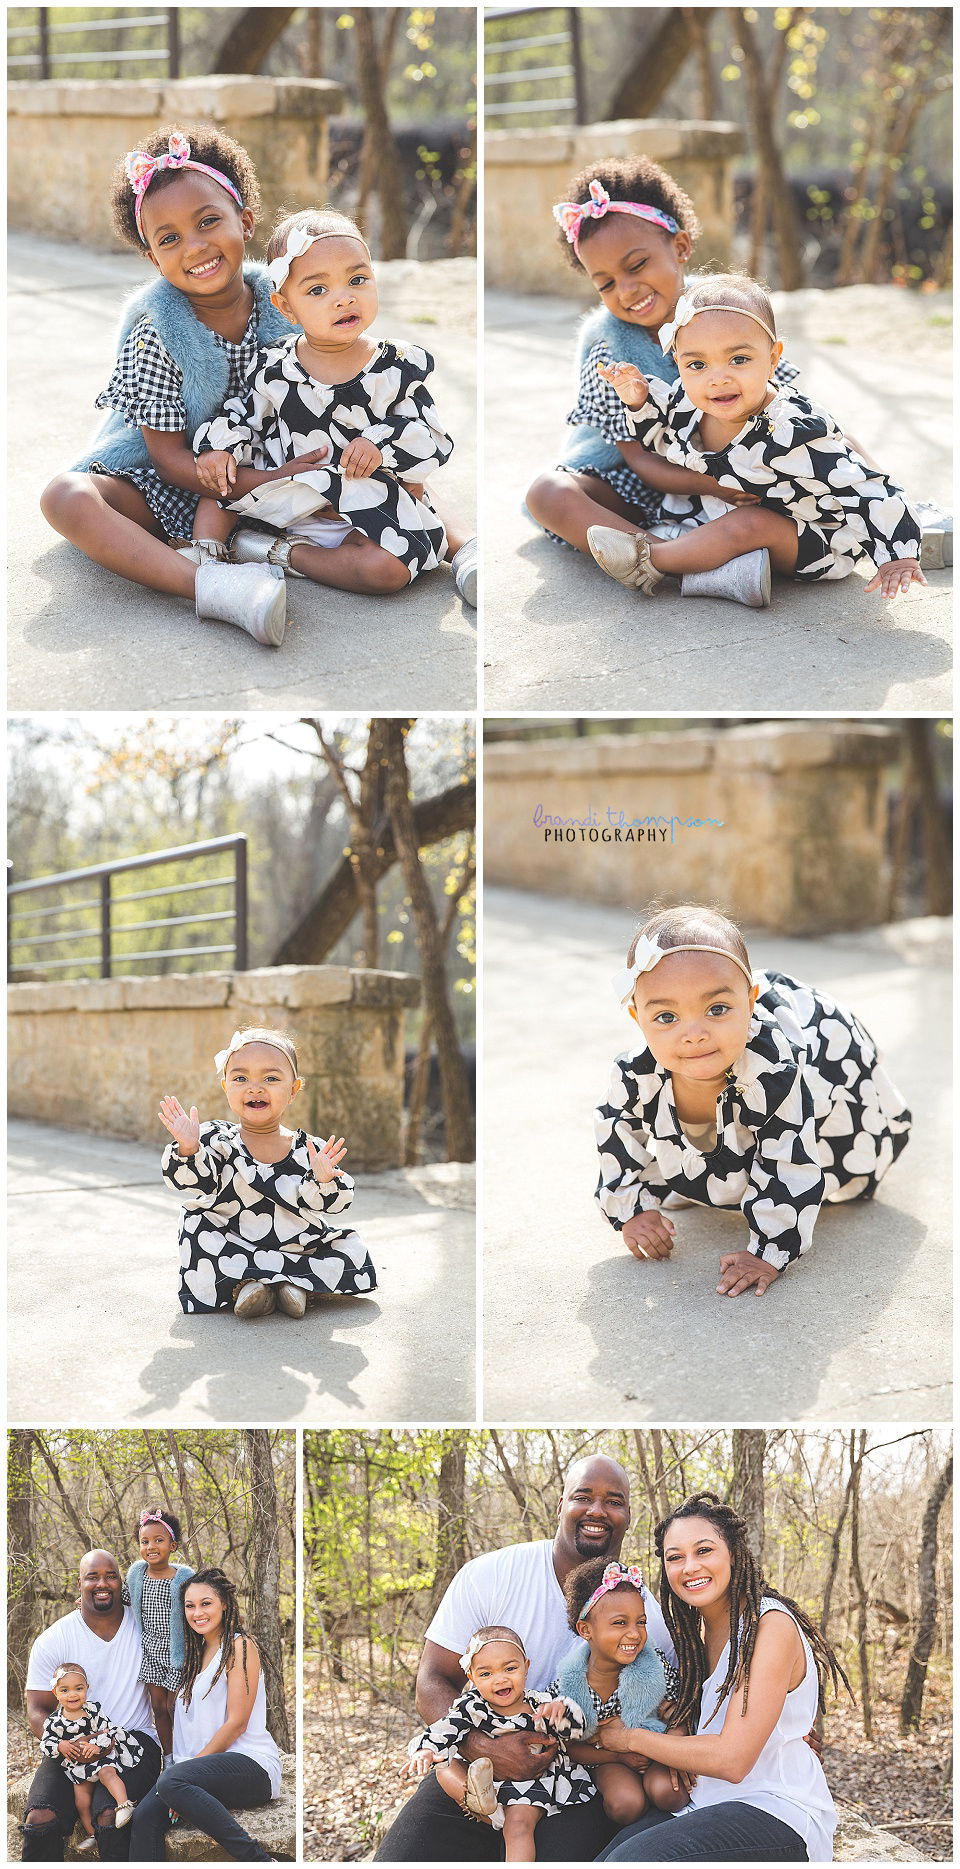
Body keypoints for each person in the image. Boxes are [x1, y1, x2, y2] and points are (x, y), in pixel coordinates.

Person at [524, 158, 946, 603]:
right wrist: (712, 485)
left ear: (681, 246)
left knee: (820, 479)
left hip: (748, 474)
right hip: (646, 484)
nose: (626, 290)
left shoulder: (728, 313)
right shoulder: (608, 349)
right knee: (547, 493)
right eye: (605, 283)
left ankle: (901, 521)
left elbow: (811, 427)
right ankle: (670, 558)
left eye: (637, 265)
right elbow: (636, 458)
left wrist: (888, 497)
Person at [39, 126, 298, 644]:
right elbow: (166, 460)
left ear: (244, 222)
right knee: (63, 497)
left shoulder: (288, 302)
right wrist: (237, 485)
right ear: (153, 259)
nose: (194, 247)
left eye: (208, 222)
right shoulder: (157, 334)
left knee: (383, 445)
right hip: (178, 484)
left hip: (282, 477)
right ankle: (215, 586)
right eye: (169, 238)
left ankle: (455, 543)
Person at [596, 903, 912, 1298]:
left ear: (750, 1001)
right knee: (678, 1139)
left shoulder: (772, 1072)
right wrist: (631, 1208)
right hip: (727, 1109)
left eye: (717, 1009)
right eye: (665, 1017)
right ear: (636, 1016)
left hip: (827, 1100)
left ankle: (748, 1171)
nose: (693, 1033)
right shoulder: (634, 1073)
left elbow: (789, 1161)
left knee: (790, 1146)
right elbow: (616, 1131)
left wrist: (768, 1250)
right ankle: (708, 1166)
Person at [376, 1453, 676, 1861]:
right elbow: (432, 1679)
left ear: (627, 1515)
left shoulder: (643, 1616)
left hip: (579, 1776)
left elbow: (670, 1699)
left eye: (614, 1501)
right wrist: (482, 1746)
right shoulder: (491, 1576)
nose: (597, 1510)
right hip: (478, 1757)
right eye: (583, 1496)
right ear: (560, 1506)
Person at [188, 205, 477, 606]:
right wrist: (218, 447)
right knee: (218, 488)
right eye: (318, 290)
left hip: (363, 505)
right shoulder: (274, 366)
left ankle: (279, 554)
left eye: (357, 280)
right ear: (286, 307)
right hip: (286, 497)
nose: (343, 298)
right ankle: (205, 558)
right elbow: (244, 415)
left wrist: (381, 444)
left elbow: (430, 435)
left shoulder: (394, 366)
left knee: (388, 570)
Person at [587, 273, 925, 604]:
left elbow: (864, 488)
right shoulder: (688, 404)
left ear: (773, 358)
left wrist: (898, 554)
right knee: (708, 515)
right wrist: (639, 400)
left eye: (738, 360)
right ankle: (720, 568)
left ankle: (649, 562)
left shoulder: (792, 431)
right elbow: (662, 443)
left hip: (812, 536)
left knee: (752, 522)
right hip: (732, 507)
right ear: (677, 362)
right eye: (697, 364)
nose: (717, 379)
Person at [595, 1493, 849, 1861]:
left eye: (704, 1551)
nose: (690, 1567)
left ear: (733, 1553)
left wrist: (629, 1738)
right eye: (675, 1557)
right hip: (706, 1801)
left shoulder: (768, 1626)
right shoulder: (693, 1636)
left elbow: (732, 1758)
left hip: (777, 1809)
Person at [158, 1026, 376, 1318]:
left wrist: (323, 1180)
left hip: (295, 1246)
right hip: (233, 1244)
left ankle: (292, 1286)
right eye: (240, 1078)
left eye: (271, 1078)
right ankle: (253, 1287)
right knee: (195, 1225)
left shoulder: (309, 1150)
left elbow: (333, 1205)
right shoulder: (215, 1139)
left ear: (293, 1090)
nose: (255, 1087)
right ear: (225, 1087)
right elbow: (192, 1181)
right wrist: (188, 1148)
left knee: (350, 1248)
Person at [128, 1567, 282, 1862]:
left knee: (171, 1782)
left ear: (224, 1603)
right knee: (144, 1817)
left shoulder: (240, 1646)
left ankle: (260, 1862)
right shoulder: (192, 1656)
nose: (197, 1612)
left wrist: (183, 1779)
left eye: (206, 1603)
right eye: (189, 1605)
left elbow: (236, 1724)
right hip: (193, 1773)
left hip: (250, 1765)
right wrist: (182, 1780)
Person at [21, 1549, 163, 1862]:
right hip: (73, 1742)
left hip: (133, 1739)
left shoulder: (145, 1627)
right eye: (93, 1576)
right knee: (40, 1818)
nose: (102, 1583)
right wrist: (65, 1744)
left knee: (109, 1815)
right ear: (79, 1583)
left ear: (121, 1582)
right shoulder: (55, 1638)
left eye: (111, 1576)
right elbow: (36, 1711)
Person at [406, 1626, 595, 1860]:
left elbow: (578, 1731)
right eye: (486, 1674)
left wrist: (562, 1713)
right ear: (471, 1677)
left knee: (517, 1826)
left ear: (526, 1667)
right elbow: (444, 1728)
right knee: (444, 1766)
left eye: (510, 1668)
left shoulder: (540, 1704)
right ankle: (482, 1804)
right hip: (488, 1781)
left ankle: (495, 1816)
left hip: (530, 1783)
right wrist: (426, 1749)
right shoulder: (471, 1706)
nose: (500, 1679)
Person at [550, 1559, 688, 1827]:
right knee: (626, 1804)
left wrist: (676, 1747)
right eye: (620, 1623)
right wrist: (617, 1756)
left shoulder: (653, 1666)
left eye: (641, 1622)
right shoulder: (568, 1687)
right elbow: (568, 1747)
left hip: (656, 1748)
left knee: (669, 1792)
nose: (634, 1634)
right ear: (585, 1630)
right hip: (607, 1759)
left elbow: (679, 1711)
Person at [40, 1665, 141, 1852]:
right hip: (79, 1765)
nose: (72, 1695)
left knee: (108, 1774)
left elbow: (107, 1730)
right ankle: (92, 1833)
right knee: (81, 1800)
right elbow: (46, 1742)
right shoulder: (54, 1722)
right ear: (55, 1693)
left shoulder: (93, 1710)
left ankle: (124, 1804)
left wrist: (97, 1745)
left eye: (78, 1688)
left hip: (98, 1757)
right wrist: (60, 1745)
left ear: (86, 1687)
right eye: (65, 1690)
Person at [125, 1508, 195, 1761]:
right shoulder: (136, 1574)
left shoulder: (184, 1577)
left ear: (172, 1545)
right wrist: (87, 1600)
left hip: (177, 1652)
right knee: (158, 1707)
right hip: (150, 1651)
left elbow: (200, 1604)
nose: (151, 1546)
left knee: (173, 1706)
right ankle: (168, 1757)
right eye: (145, 1542)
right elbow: (125, 1599)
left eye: (158, 1540)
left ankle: (186, 1753)